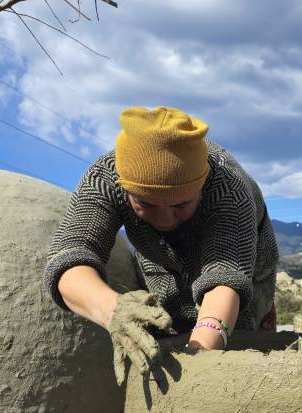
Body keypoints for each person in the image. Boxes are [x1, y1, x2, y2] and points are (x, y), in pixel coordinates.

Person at [43, 106, 279, 385]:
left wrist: (199, 357)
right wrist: (113, 310)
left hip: (245, 280)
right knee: (163, 339)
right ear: (125, 189)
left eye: (181, 204)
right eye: (145, 204)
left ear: (201, 189)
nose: (165, 219)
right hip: (162, 269)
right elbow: (70, 256)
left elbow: (225, 280)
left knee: (232, 364)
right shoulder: (105, 178)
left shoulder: (228, 187)